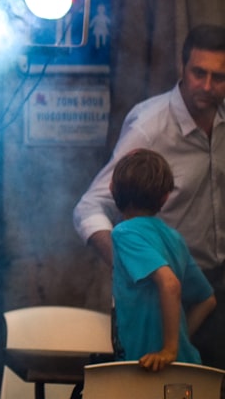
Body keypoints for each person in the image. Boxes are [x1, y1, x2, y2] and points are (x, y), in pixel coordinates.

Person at [74, 23, 225, 367]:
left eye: (219, 77)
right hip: (158, 292)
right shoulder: (150, 124)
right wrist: (132, 261)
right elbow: (90, 206)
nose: (207, 85)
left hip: (207, 288)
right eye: (198, 73)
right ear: (182, 68)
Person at [109, 148, 216, 370]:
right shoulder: (173, 237)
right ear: (165, 197)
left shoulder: (124, 233)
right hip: (187, 366)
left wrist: (168, 349)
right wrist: (179, 338)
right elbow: (207, 300)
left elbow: (169, 284)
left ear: (112, 190)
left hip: (150, 367)